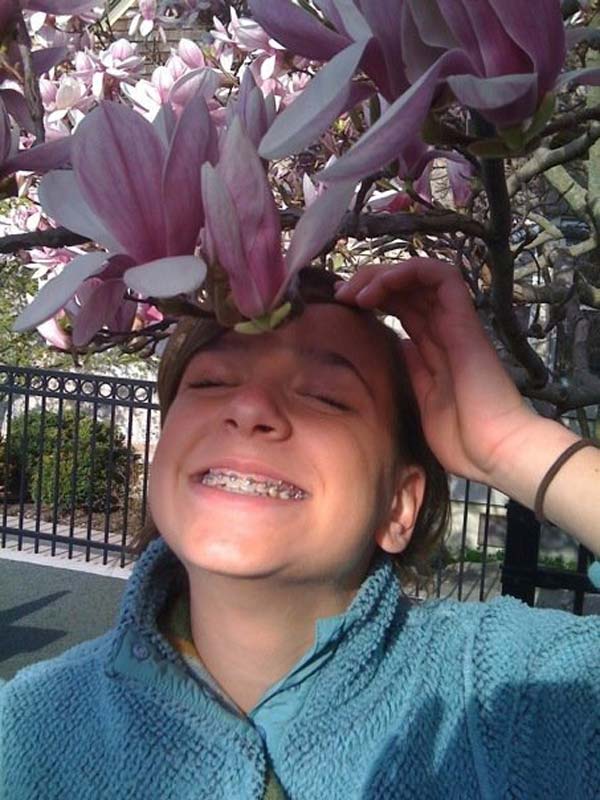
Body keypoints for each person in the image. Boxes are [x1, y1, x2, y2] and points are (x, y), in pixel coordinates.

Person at [1, 259, 599, 800]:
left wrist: (514, 445)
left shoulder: (506, 694)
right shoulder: (31, 727)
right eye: (211, 382)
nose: (250, 409)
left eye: (325, 397)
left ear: (398, 505)